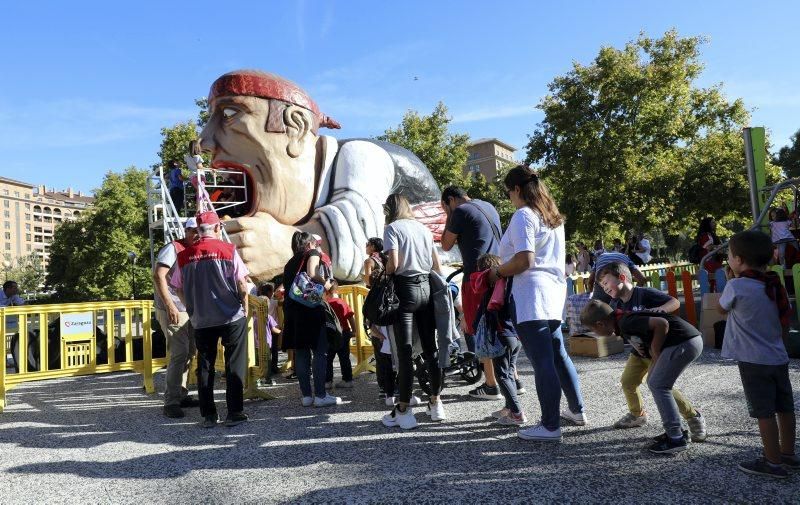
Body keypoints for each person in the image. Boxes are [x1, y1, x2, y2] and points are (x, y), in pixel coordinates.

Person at [199, 69, 447, 282]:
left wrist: (287, 244)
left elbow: (359, 245)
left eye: (230, 115)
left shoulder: (360, 155)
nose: (204, 141)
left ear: (295, 126)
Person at [488, 165, 586, 442]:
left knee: (542, 360)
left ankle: (550, 425)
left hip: (531, 294)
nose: (510, 198)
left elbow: (524, 260)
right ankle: (576, 410)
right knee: (557, 354)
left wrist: (497, 272)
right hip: (554, 292)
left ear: (517, 189)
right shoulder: (552, 218)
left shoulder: (523, 215)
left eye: (509, 192)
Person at [717, 230, 798, 478]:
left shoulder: (736, 285)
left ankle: (771, 462)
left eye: (729, 256)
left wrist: (730, 279)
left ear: (739, 260)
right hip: (777, 356)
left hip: (753, 361)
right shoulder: (775, 285)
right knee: (785, 407)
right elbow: (783, 321)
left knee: (763, 412)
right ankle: (788, 453)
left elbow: (721, 310)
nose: (728, 260)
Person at [597, 262, 707, 440]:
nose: (604, 288)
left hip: (657, 348)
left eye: (606, 283)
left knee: (660, 385)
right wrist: (635, 346)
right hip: (638, 351)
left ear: (622, 278)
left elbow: (674, 301)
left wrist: (661, 310)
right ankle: (637, 414)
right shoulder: (615, 303)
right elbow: (623, 330)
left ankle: (693, 416)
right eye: (602, 285)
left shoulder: (643, 293)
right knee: (628, 381)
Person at [581, 300, 704, 454]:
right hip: (686, 341)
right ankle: (676, 431)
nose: (594, 334)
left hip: (684, 342)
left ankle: (676, 438)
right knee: (654, 382)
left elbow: (661, 323)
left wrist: (655, 348)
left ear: (600, 324)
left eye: (592, 329)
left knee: (659, 386)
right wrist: (653, 354)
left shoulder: (626, 322)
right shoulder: (622, 322)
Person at [171, 211, 250, 428]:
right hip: (231, 315)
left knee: (205, 366)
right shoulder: (228, 250)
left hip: (202, 318)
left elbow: (177, 286)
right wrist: (244, 304)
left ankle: (208, 415)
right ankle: (234, 412)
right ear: (216, 228)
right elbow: (242, 284)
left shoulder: (184, 256)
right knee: (234, 363)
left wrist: (191, 307)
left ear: (198, 230)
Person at [440, 185, 511, 401]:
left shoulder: (460, 211)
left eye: (445, 208)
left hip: (477, 278)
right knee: (500, 326)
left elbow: (445, 244)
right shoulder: (488, 206)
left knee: (480, 327)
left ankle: (491, 384)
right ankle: (512, 379)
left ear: (451, 200)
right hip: (498, 272)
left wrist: (449, 216)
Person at [381, 193, 445, 429]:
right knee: (431, 348)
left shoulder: (392, 228)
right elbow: (437, 265)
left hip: (404, 290)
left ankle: (404, 410)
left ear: (390, 209)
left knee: (405, 352)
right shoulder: (423, 229)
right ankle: (436, 403)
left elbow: (394, 264)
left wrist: (384, 272)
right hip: (426, 287)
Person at [282, 231, 341, 407]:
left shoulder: (289, 263)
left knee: (301, 353)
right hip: (311, 310)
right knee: (320, 351)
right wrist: (328, 284)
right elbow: (312, 271)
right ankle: (321, 396)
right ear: (309, 244)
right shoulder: (312, 252)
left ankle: (307, 396)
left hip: (292, 311)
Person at [153, 218, 201, 418]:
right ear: (185, 230)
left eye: (200, 230)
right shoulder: (173, 248)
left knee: (189, 353)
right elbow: (158, 275)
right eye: (192, 230)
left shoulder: (195, 250)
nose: (196, 234)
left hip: (188, 308)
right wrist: (170, 305)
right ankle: (171, 402)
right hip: (174, 308)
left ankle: (180, 394)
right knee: (179, 353)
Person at [475, 254, 525, 426]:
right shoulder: (509, 285)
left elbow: (482, 315)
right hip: (515, 337)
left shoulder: (490, 290)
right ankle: (509, 409)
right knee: (509, 373)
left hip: (501, 336)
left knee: (502, 375)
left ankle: (517, 413)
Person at [324, 279, 355, 390]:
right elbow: (350, 317)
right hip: (344, 333)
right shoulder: (342, 302)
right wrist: (354, 331)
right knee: (344, 358)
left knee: (328, 359)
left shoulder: (325, 305)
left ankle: (327, 381)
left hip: (329, 335)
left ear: (325, 292)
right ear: (337, 290)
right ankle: (348, 380)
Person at [696, 217, 724, 288]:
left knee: (717, 281)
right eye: (712, 222)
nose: (715, 224)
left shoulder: (711, 234)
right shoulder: (705, 235)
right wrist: (718, 246)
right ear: (707, 224)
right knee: (712, 282)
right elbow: (708, 247)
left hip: (715, 261)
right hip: (709, 262)